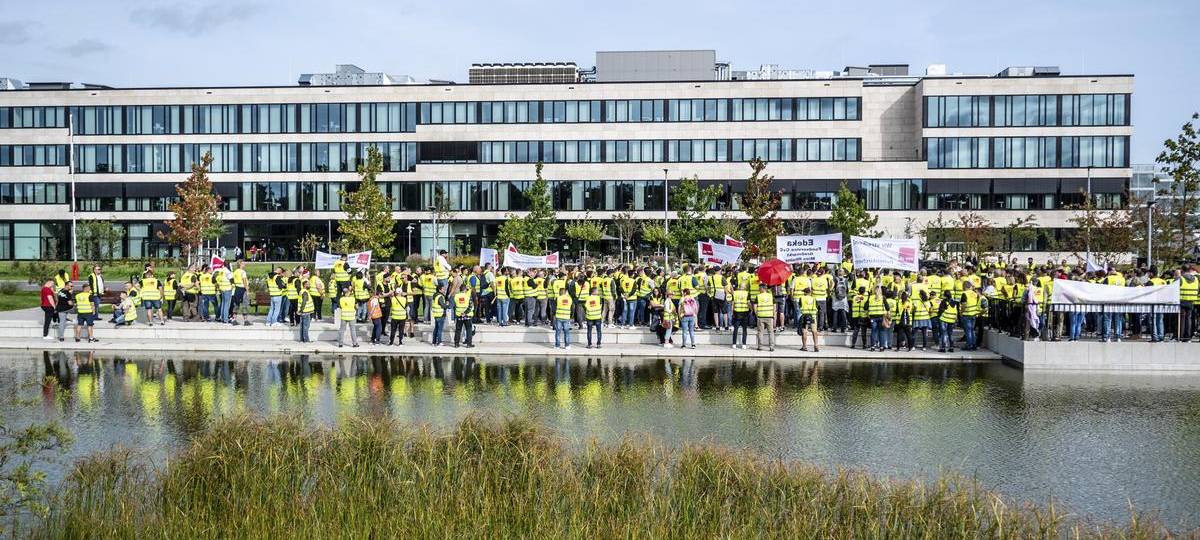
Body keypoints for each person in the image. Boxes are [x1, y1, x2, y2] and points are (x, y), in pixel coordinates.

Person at [753, 284, 776, 352]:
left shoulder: (758, 296)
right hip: (769, 316)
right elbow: (774, 305)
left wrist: (757, 314)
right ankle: (771, 347)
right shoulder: (771, 296)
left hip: (761, 316)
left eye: (760, 288)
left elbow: (755, 306)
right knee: (771, 332)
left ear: (763, 288)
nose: (759, 289)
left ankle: (760, 346)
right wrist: (773, 314)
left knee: (760, 332)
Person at [798, 287, 820, 353]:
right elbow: (817, 307)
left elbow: (799, 306)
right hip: (813, 316)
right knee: (814, 331)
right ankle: (816, 346)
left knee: (804, 332)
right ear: (810, 292)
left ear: (804, 292)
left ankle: (804, 347)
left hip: (804, 316)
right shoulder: (814, 299)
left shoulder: (801, 298)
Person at [232, 261, 252, 326]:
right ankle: (245, 321)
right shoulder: (243, 272)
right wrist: (247, 290)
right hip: (242, 289)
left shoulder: (235, 272)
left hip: (237, 289)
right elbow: (244, 281)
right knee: (244, 305)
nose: (245, 264)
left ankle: (234, 320)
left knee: (236, 304)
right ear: (240, 264)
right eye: (243, 263)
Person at [730, 284, 750, 349]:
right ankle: (744, 344)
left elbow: (732, 304)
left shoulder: (735, 293)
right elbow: (748, 303)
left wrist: (732, 312)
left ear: (739, 287)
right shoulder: (747, 293)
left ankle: (734, 344)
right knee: (744, 329)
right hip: (745, 313)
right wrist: (752, 310)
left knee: (735, 329)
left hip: (737, 313)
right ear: (744, 287)